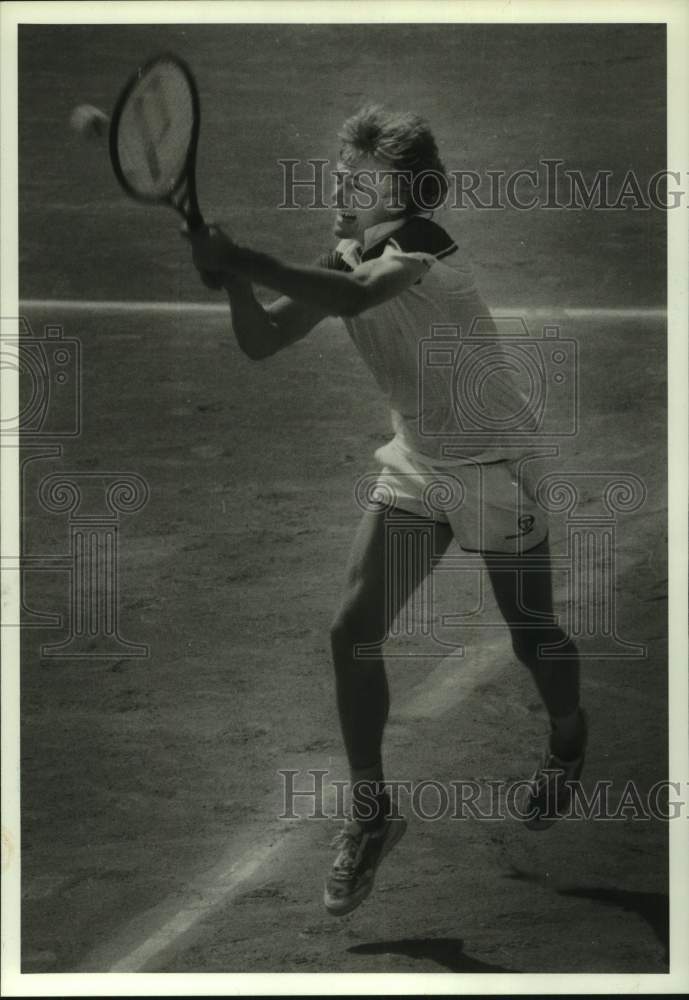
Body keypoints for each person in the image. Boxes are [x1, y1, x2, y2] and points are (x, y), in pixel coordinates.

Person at [185, 105, 587, 917]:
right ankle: (372, 812)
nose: (339, 184)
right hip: (418, 459)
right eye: (339, 170)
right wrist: (234, 279)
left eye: (357, 177)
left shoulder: (420, 251)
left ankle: (568, 733)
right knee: (351, 628)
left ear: (399, 192)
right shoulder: (345, 251)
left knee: (532, 634)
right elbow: (263, 339)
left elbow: (358, 295)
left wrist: (246, 255)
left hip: (493, 465)